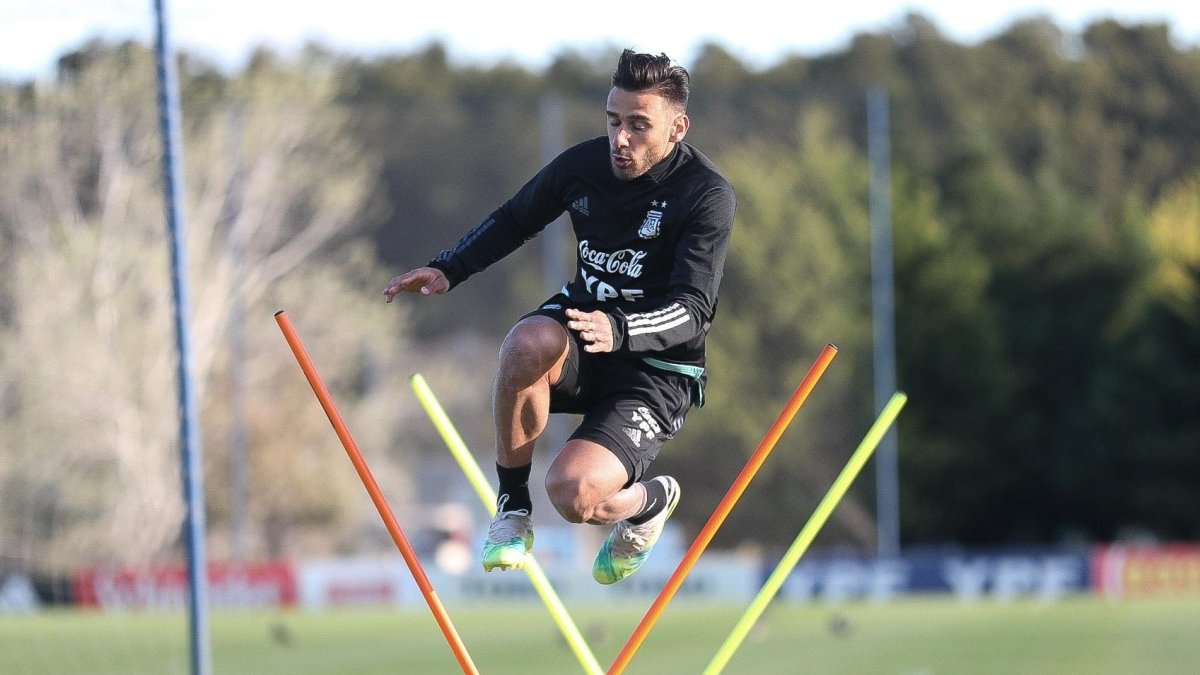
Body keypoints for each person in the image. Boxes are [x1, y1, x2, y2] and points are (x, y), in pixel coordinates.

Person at [384, 49, 736, 585]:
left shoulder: (706, 194)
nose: (621, 139)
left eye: (639, 126)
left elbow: (693, 312)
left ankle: (649, 502)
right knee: (525, 342)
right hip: (582, 333)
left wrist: (618, 330)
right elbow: (514, 219)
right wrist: (446, 269)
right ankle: (511, 511)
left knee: (573, 496)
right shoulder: (584, 165)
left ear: (677, 128)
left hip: (657, 371)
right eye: (614, 121)